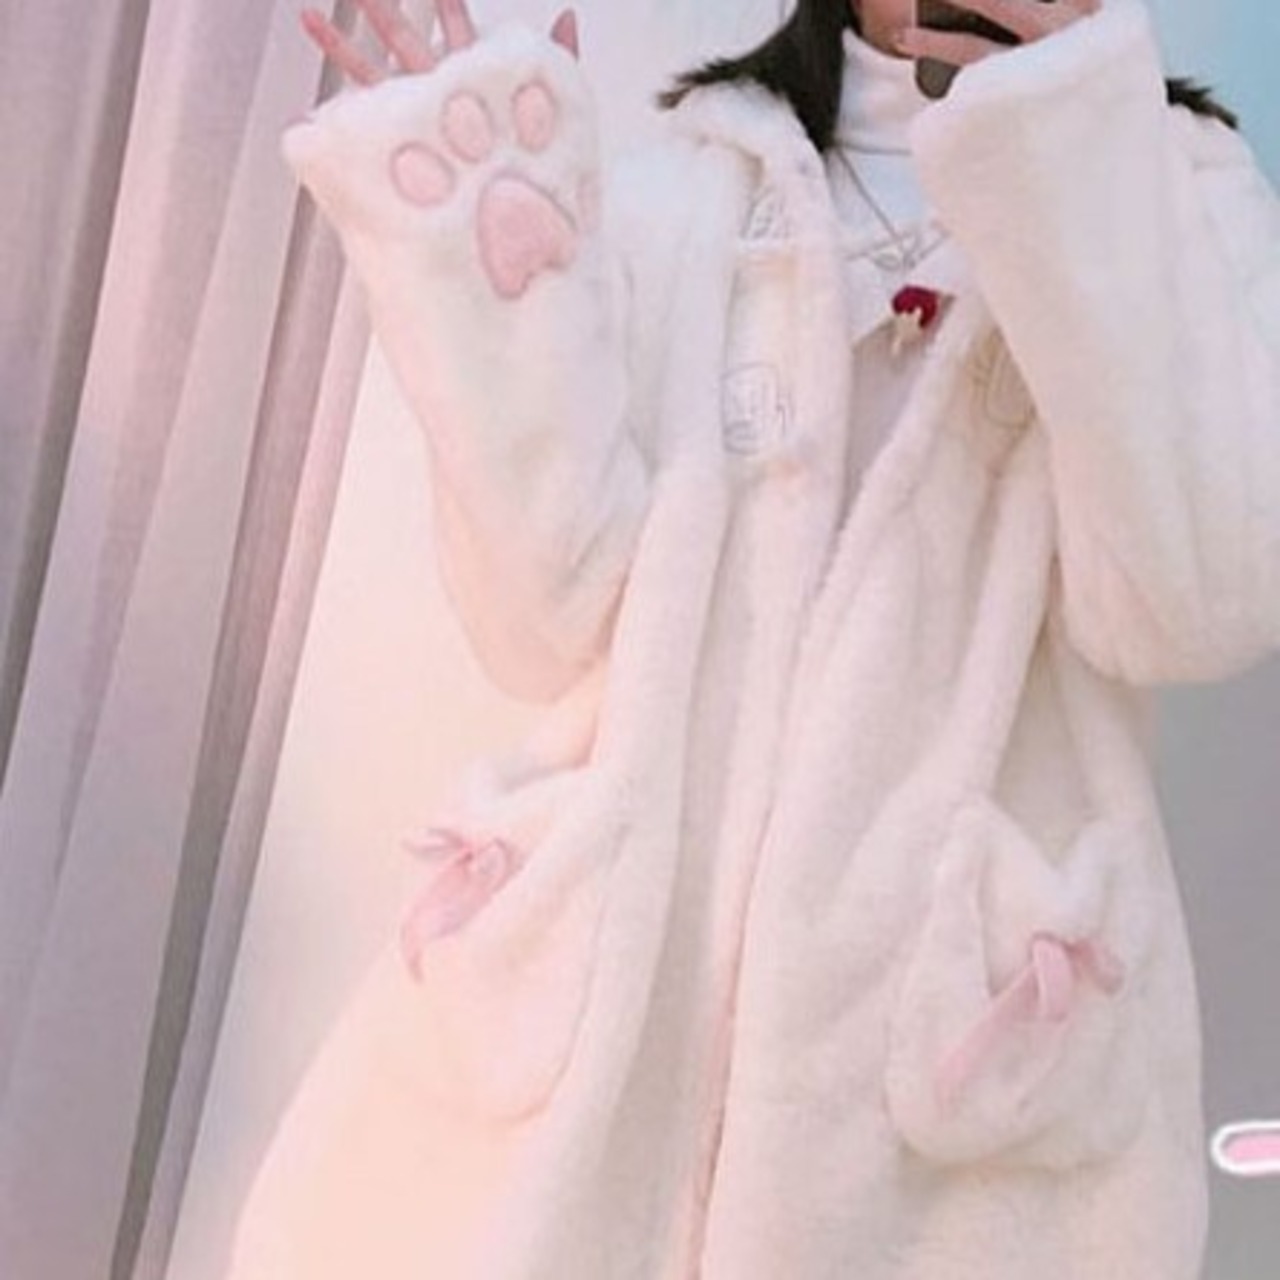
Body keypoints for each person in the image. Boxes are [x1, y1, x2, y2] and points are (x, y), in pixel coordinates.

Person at [228, 1, 1280, 1276]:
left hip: (941, 1110)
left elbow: (1193, 598)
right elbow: (543, 616)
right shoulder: (688, 187)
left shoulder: (1173, 199)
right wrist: (483, 274)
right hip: (595, 1062)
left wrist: (1066, 121)